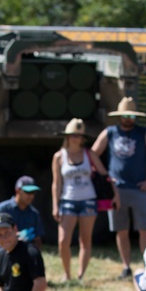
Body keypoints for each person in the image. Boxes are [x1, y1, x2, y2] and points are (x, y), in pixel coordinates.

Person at [91, 97, 146, 279]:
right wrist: (105, 177)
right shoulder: (110, 132)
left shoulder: (143, 133)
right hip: (116, 190)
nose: (128, 119)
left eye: (131, 115)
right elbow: (93, 153)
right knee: (121, 229)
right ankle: (126, 267)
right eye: (125, 115)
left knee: (144, 228)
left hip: (139, 189)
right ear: (119, 116)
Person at [52, 118, 110, 282]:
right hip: (68, 200)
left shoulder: (88, 154)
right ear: (67, 137)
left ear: (83, 138)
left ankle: (81, 275)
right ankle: (67, 273)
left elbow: (103, 174)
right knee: (63, 240)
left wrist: (112, 192)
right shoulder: (59, 156)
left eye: (78, 135)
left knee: (85, 240)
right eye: (72, 135)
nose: (75, 138)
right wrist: (55, 205)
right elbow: (56, 183)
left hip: (88, 200)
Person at [0, 176, 45, 249]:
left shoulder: (34, 213)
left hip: (25, 250)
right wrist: (11, 238)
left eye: (33, 192)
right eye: (28, 192)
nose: (31, 196)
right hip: (3, 248)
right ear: (17, 191)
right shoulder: (3, 208)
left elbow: (38, 239)